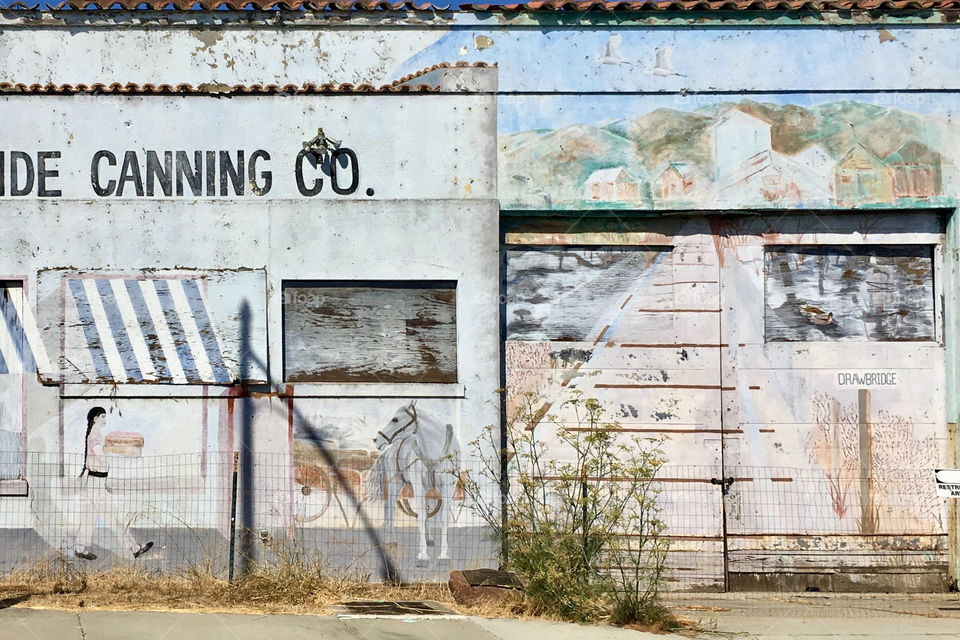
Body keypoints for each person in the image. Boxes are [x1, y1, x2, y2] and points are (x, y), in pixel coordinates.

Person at [74, 406, 154, 561]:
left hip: (95, 482)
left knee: (89, 517)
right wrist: (119, 450)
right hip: (95, 483)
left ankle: (79, 548)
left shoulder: (95, 433)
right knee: (112, 517)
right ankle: (135, 548)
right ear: (95, 419)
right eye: (102, 416)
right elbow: (100, 453)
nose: (105, 419)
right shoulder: (95, 434)